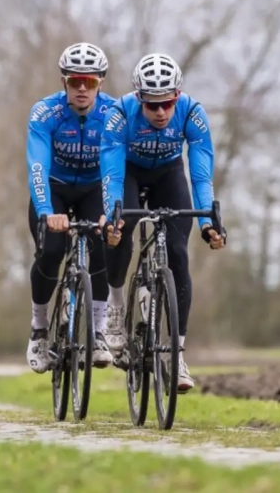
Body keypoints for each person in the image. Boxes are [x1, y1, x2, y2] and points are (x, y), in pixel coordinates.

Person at [98, 53, 227, 393]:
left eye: (167, 103)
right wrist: (114, 215)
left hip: (169, 174)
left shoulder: (192, 113)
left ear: (177, 96)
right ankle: (115, 304)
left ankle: (176, 352)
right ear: (139, 98)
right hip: (127, 173)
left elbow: (200, 175)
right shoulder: (119, 114)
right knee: (119, 233)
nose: (160, 112)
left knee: (178, 255)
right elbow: (110, 173)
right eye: (152, 105)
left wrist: (208, 222)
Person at [24, 42, 116, 374]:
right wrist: (47, 211)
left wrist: (111, 208)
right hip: (54, 188)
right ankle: (38, 328)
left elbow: (116, 167)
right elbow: (36, 165)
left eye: (89, 82)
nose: (81, 88)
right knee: (51, 252)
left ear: (100, 83)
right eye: (75, 81)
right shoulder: (45, 113)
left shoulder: (112, 114)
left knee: (106, 246)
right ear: (63, 81)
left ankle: (99, 331)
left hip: (94, 188)